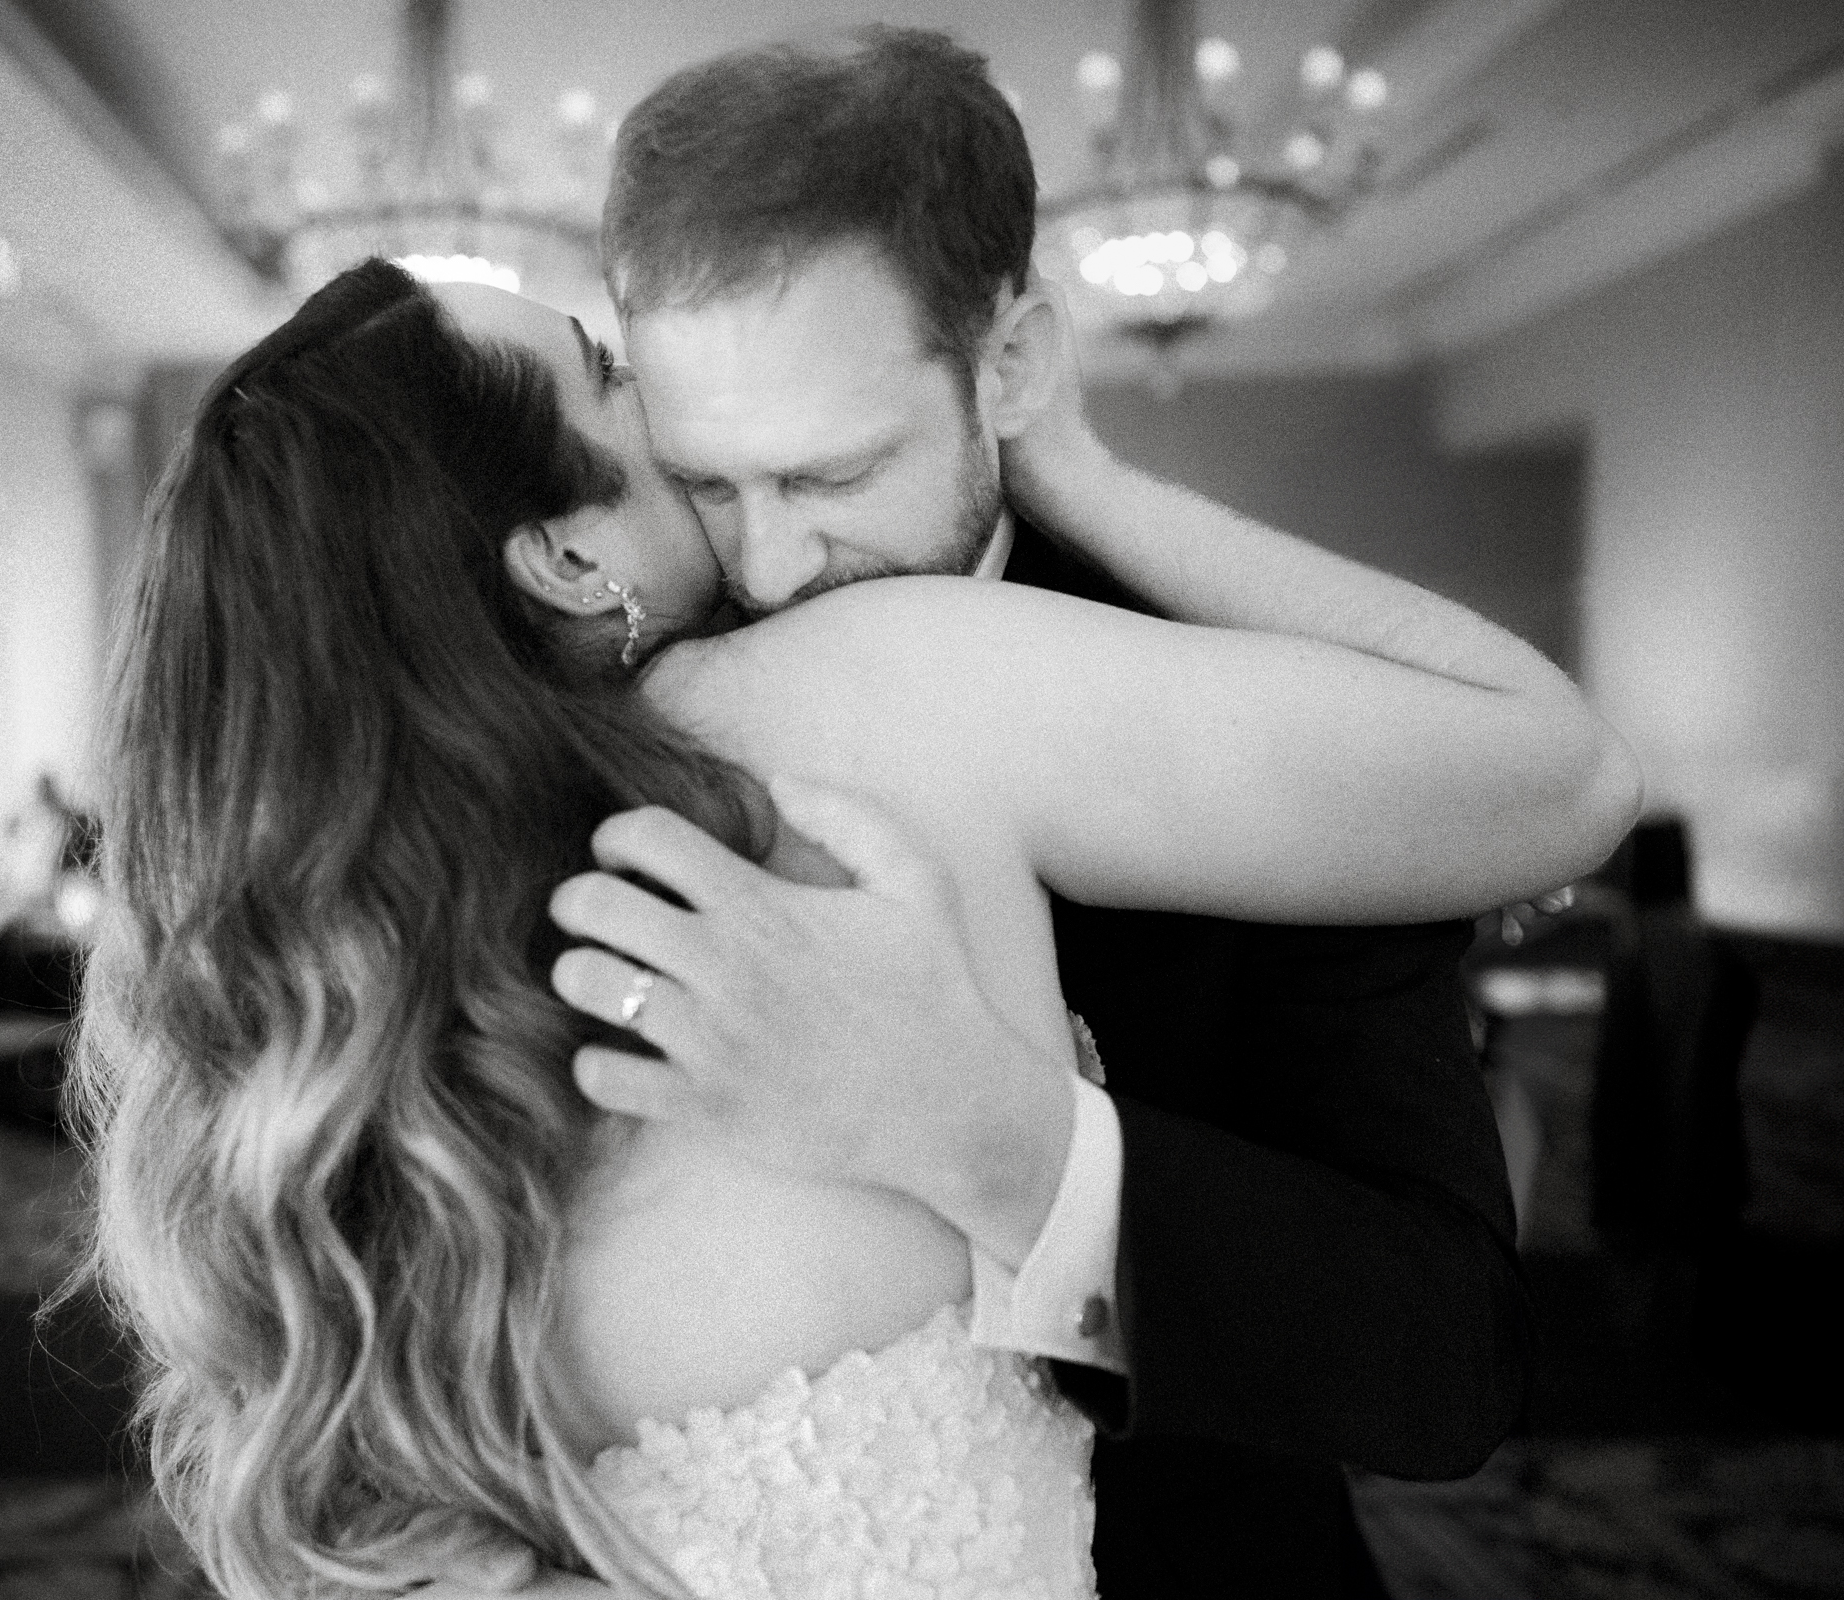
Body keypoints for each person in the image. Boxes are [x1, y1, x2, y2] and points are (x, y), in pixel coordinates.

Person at [72, 241, 1634, 1598]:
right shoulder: (855, 690)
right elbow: (1561, 771)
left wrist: (993, 1134)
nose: (689, 415)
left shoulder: (307, 1037)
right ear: (562, 553)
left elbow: (1436, 1355)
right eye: (613, 371)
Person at [439, 28, 1628, 1599]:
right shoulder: (624, 702)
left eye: (833, 475)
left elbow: (1442, 1363)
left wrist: (993, 1140)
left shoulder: (1265, 717)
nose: (770, 568)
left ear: (1004, 368)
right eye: (708, 483)